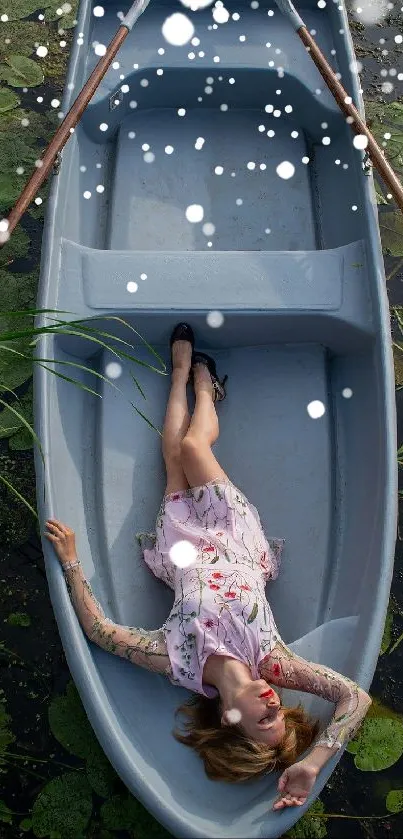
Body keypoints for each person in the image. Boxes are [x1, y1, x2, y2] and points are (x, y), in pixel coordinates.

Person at [44, 322, 372, 811]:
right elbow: (355, 699)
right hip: (234, 532)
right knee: (196, 449)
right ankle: (206, 387)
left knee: (173, 456)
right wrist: (311, 764)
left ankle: (180, 376)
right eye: (278, 710)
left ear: (227, 719)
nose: (271, 701)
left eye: (265, 717)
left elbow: (100, 632)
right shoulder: (272, 661)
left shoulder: (177, 662)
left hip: (184, 543)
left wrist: (71, 562)